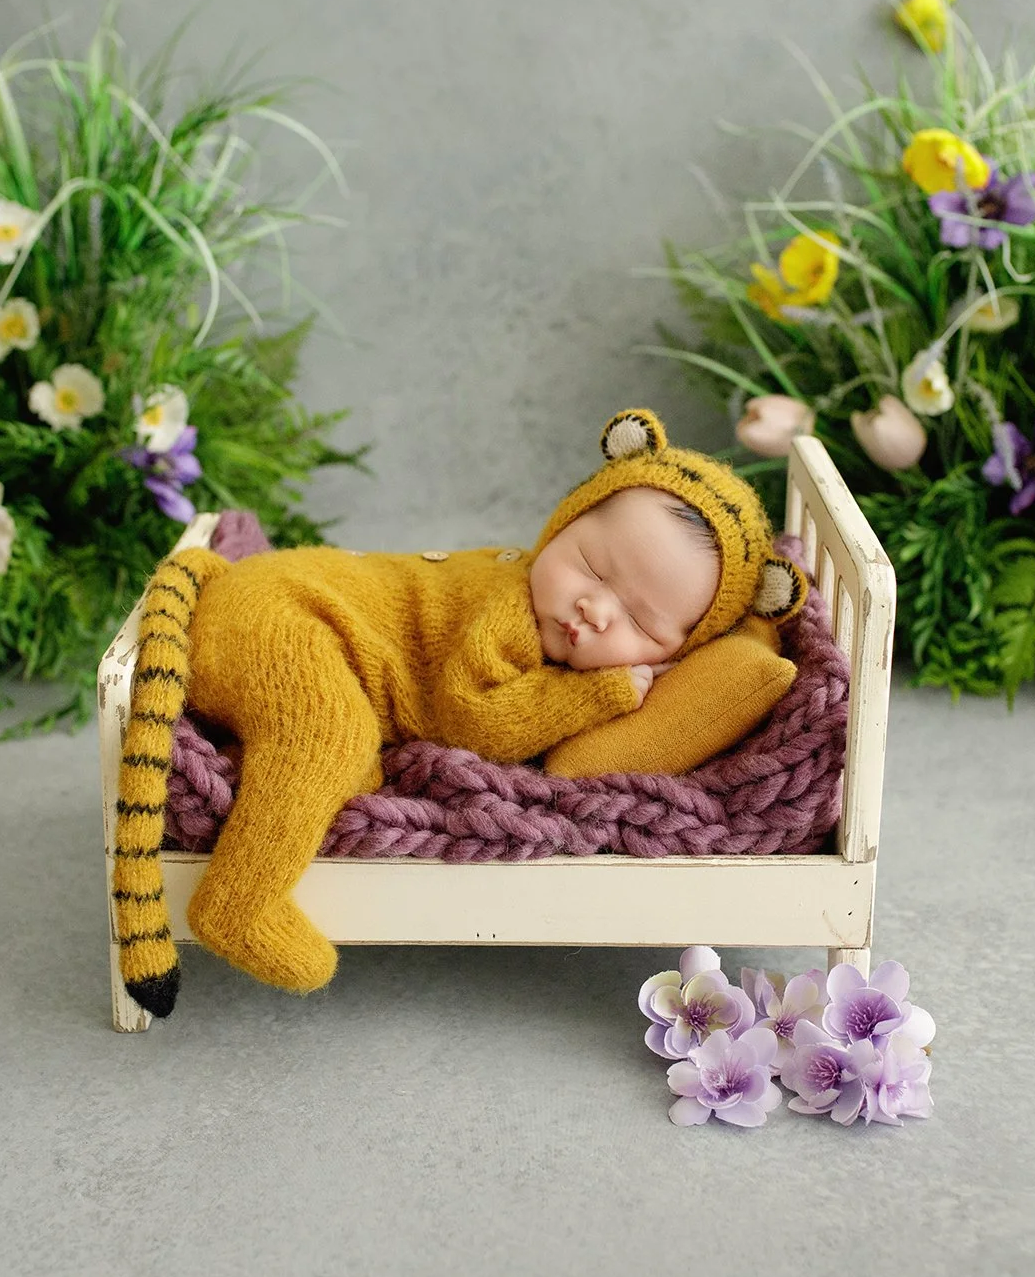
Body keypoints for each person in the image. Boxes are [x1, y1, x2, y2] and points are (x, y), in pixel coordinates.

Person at [111, 409, 808, 1016]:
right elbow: (477, 721)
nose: (594, 610)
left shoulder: (574, 615)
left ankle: (265, 772)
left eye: (641, 620)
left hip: (297, 625)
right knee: (327, 737)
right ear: (562, 525)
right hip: (285, 615)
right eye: (592, 566)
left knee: (346, 764)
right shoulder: (508, 609)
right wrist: (600, 691)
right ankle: (236, 903)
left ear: (682, 648)